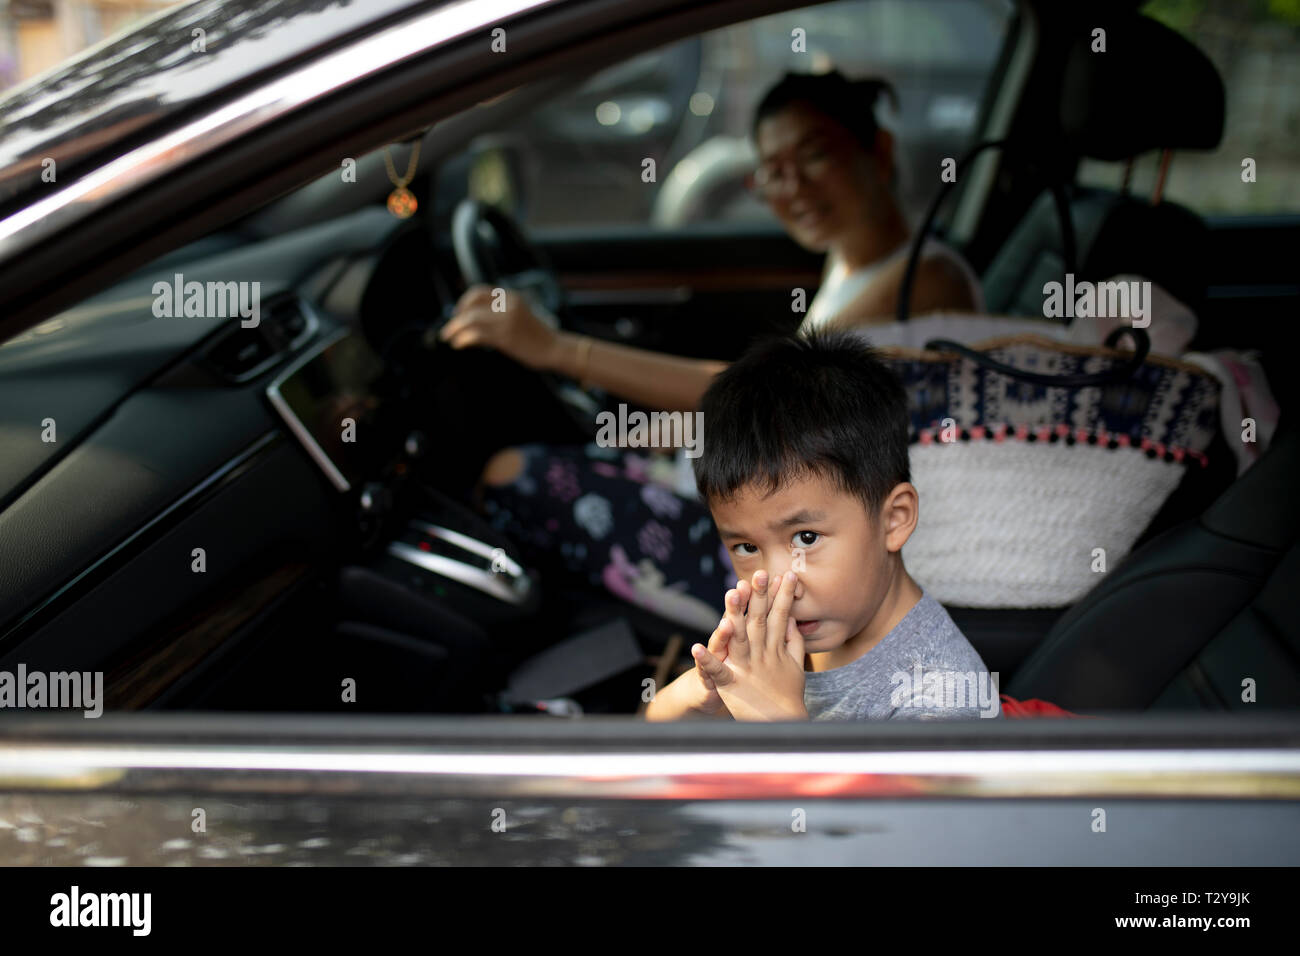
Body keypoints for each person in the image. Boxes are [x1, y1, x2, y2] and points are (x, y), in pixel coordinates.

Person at [442, 71, 984, 631]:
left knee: (513, 476)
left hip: (787, 549)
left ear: (880, 150)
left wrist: (556, 349)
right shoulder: (852, 262)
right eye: (774, 171)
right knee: (565, 453)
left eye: (815, 156)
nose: (793, 186)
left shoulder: (924, 282)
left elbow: (765, 400)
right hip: (763, 490)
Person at [645, 332, 999, 721]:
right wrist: (698, 691)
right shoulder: (776, 641)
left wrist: (782, 724)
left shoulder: (940, 703)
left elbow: (817, 783)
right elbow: (652, 734)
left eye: (806, 538)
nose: (780, 583)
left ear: (894, 519)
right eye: (746, 547)